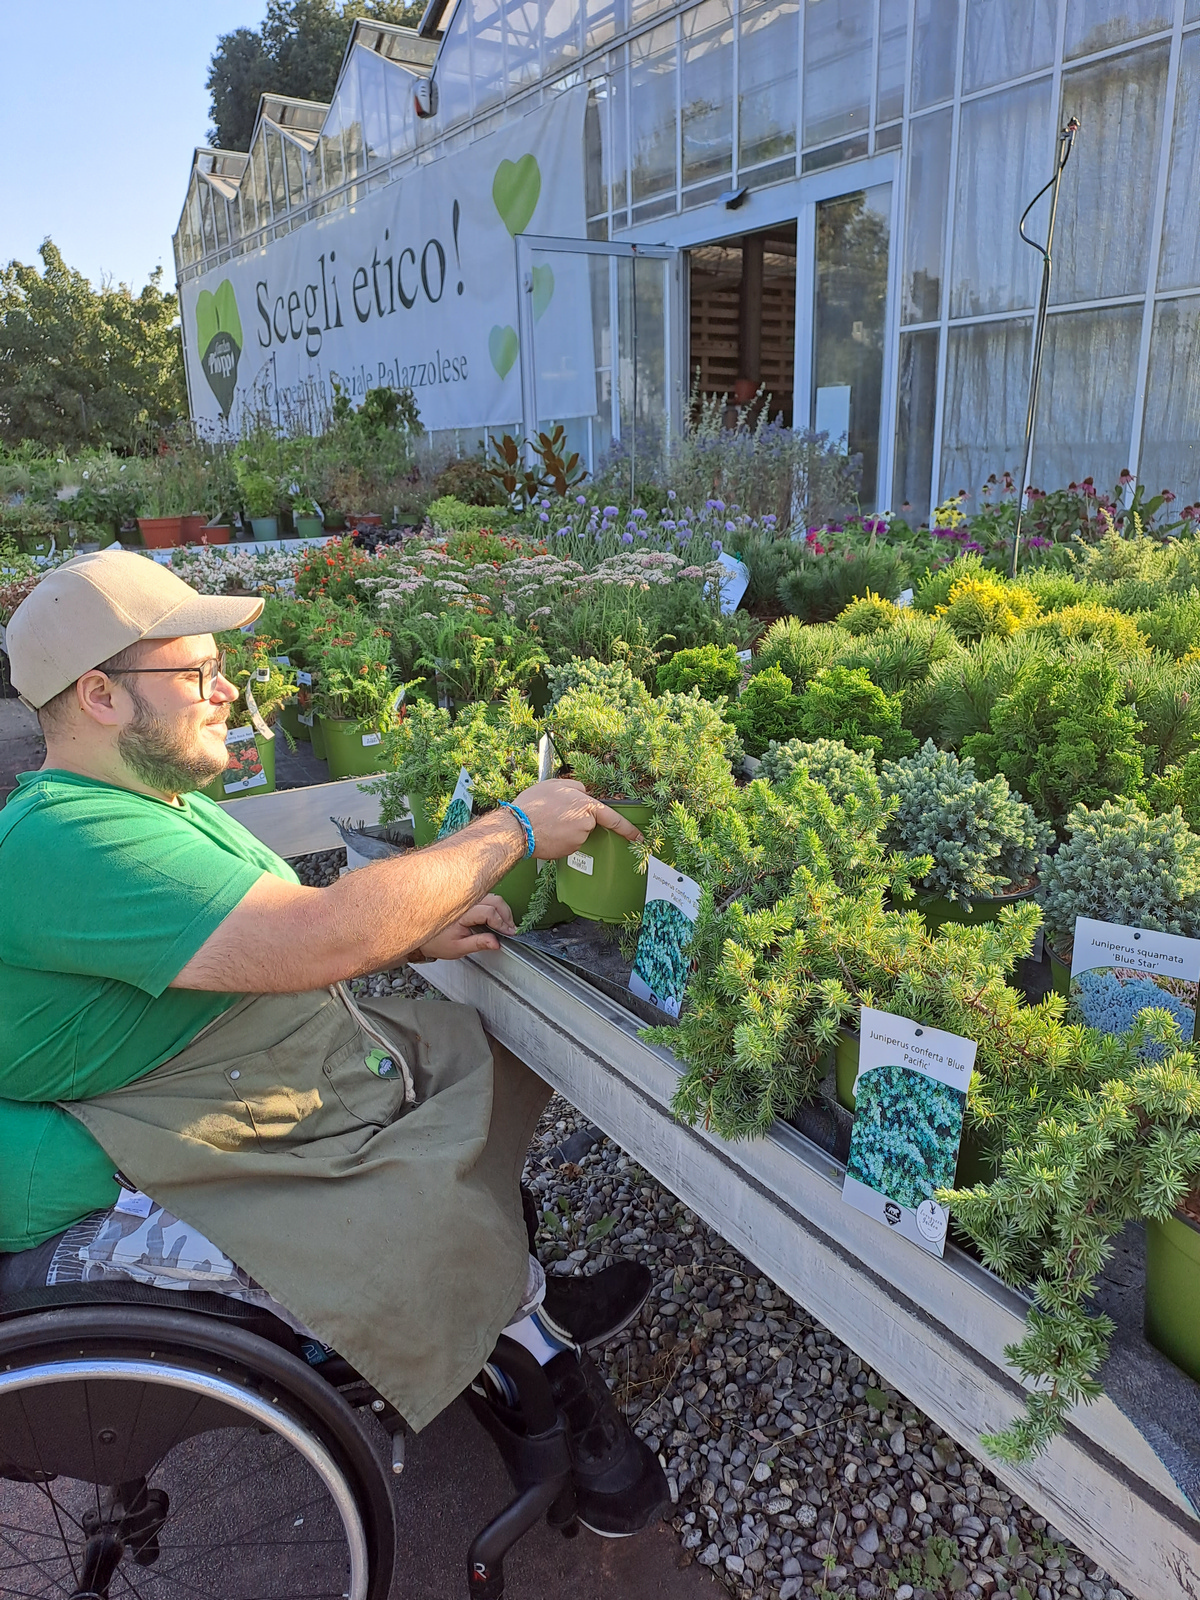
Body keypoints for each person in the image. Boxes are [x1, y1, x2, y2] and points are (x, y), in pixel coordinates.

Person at [0, 549, 669, 1537]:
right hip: (140, 1159)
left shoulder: (141, 806)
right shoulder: (70, 840)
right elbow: (320, 932)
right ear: (100, 695)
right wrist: (515, 827)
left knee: (457, 1057)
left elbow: (265, 929)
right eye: (195, 673)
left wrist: (407, 929)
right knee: (421, 1216)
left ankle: (523, 1308)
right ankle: (544, 1365)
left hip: (216, 1086)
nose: (230, 688)